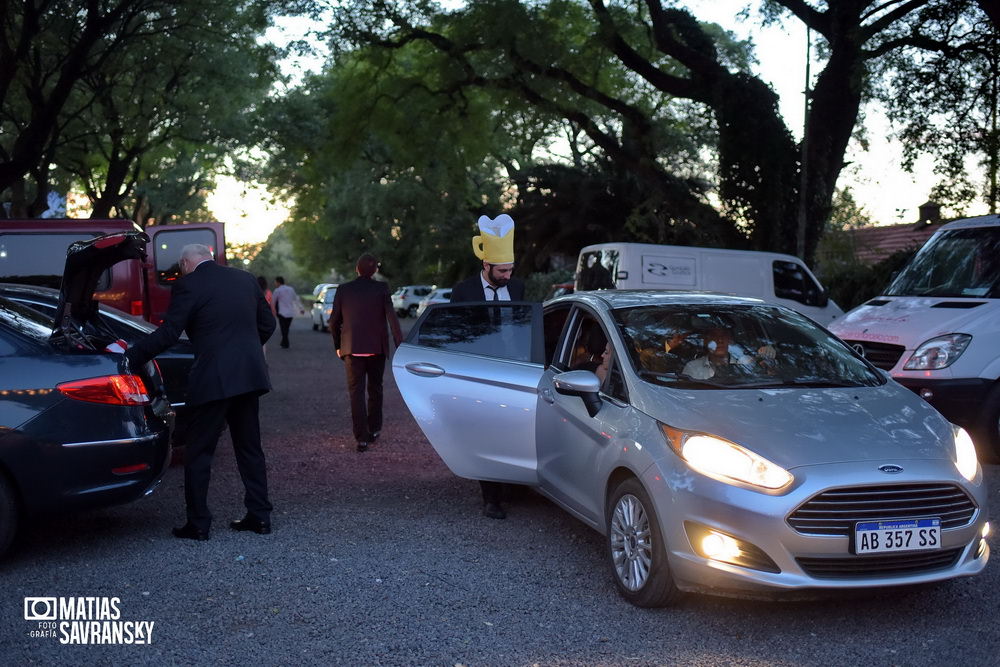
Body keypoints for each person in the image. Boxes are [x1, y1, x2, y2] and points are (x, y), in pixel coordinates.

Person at [124, 244, 276, 540]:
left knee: (199, 452)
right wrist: (242, 350)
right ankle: (260, 517)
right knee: (250, 448)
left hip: (213, 379)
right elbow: (267, 324)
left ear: (185, 262)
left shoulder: (188, 284)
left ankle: (198, 523)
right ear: (209, 257)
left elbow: (169, 333)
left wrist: (132, 356)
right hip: (249, 376)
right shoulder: (245, 279)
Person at [450, 213, 525, 520]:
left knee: (513, 430)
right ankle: (491, 498)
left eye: (510, 270)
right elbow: (456, 334)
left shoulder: (517, 287)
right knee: (487, 432)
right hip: (480, 372)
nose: (507, 275)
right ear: (486, 265)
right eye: (502, 270)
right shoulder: (463, 291)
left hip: (514, 369)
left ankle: (512, 486)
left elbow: (523, 326)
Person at [329, 254, 404, 453]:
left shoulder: (344, 290)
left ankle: (361, 439)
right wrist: (400, 345)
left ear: (357, 269)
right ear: (375, 271)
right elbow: (392, 319)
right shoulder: (381, 289)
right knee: (375, 390)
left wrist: (338, 344)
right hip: (376, 349)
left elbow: (333, 321)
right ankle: (375, 429)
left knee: (356, 393)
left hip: (352, 348)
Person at [681, 327, 775, 380]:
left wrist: (769, 356)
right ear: (706, 341)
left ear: (729, 340)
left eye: (723, 336)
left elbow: (770, 378)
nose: (720, 340)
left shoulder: (746, 363)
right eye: (714, 336)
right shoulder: (692, 368)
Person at [272, 276, 304, 349]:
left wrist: (273, 310)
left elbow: (273, 302)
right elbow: (296, 299)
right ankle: (284, 342)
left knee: (283, 328)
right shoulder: (291, 289)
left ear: (278, 282)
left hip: (282, 312)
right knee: (286, 328)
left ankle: (285, 343)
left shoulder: (277, 290)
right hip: (290, 312)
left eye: (275, 282)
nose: (275, 283)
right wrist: (301, 308)